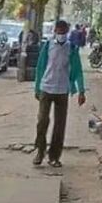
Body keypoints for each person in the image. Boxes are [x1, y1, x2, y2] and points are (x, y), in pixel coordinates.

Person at [33, 20, 85, 167]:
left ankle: (54, 156)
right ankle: (40, 151)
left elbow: (78, 71)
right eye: (59, 31)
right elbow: (40, 67)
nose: (61, 34)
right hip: (46, 88)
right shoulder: (48, 46)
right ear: (55, 31)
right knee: (42, 121)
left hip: (62, 90)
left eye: (64, 32)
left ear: (67, 32)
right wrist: (37, 88)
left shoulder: (72, 48)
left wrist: (81, 91)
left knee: (59, 125)